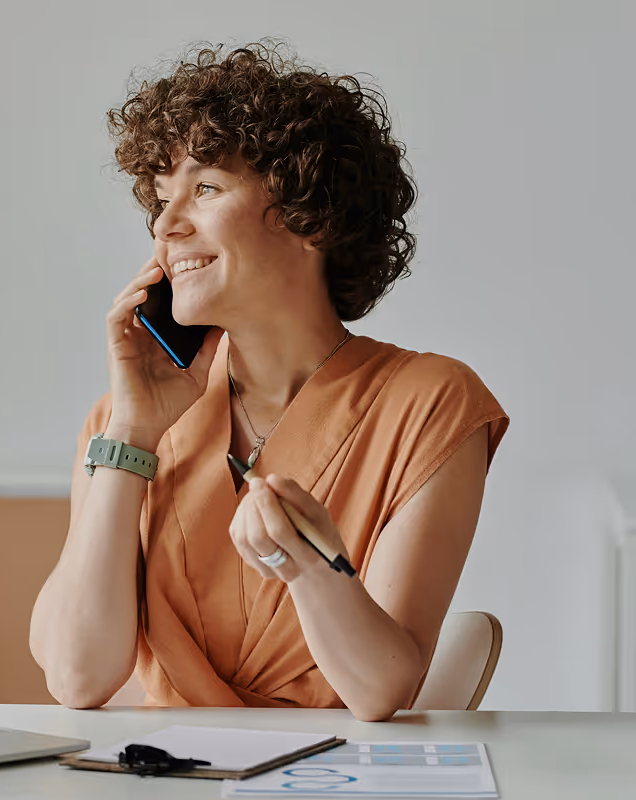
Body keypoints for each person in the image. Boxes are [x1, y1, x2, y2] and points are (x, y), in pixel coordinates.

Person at [28, 42, 509, 721]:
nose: (166, 227)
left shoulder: (430, 404)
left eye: (206, 189)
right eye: (161, 201)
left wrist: (310, 566)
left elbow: (380, 691)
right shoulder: (122, 425)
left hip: (333, 779)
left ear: (310, 213)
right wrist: (131, 435)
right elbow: (78, 677)